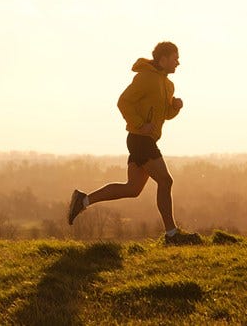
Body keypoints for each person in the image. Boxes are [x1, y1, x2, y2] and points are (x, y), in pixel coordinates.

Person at [67, 41, 201, 245]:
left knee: (132, 189)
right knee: (166, 181)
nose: (178, 63)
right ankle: (172, 235)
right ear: (163, 59)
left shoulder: (167, 84)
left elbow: (163, 114)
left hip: (145, 139)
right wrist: (138, 124)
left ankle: (83, 200)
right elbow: (123, 101)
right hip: (140, 140)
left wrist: (175, 107)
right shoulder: (145, 78)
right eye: (175, 58)